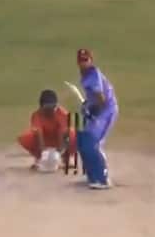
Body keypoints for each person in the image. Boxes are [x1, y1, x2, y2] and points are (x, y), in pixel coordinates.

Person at [75, 48, 118, 189]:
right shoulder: (86, 75)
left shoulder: (93, 75)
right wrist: (87, 105)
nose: (84, 63)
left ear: (91, 60)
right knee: (84, 141)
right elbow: (93, 97)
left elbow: (101, 99)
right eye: (81, 60)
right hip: (99, 110)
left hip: (107, 111)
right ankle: (92, 176)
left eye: (86, 60)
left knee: (94, 143)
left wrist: (92, 111)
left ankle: (102, 179)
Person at [17, 89, 76, 171]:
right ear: (41, 106)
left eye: (53, 107)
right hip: (45, 140)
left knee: (73, 135)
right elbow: (38, 134)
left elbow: (64, 134)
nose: (50, 110)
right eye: (47, 108)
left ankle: (67, 158)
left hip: (59, 139)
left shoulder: (63, 114)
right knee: (26, 137)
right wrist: (43, 153)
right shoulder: (36, 115)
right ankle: (39, 159)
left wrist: (59, 152)